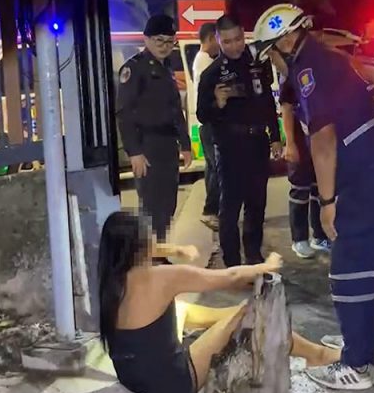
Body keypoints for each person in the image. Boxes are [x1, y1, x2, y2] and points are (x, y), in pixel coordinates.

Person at [254, 4, 374, 390]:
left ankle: (355, 365)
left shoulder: (308, 69)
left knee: (348, 271)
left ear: (285, 42)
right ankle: (359, 340)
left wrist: (327, 203)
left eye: (270, 54)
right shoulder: (332, 58)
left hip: (371, 180)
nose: (272, 63)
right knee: (369, 271)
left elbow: (324, 140)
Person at [99, 211, 340, 393]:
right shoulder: (162, 277)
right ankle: (317, 355)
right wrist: (265, 266)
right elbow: (230, 276)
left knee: (181, 308)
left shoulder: (111, 281)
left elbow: (144, 249)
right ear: (141, 246)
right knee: (250, 312)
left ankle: (223, 323)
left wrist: (175, 250)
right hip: (175, 384)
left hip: (131, 378)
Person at [197, 15, 283, 267]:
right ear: (218, 40)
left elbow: (267, 101)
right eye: (227, 42)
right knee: (230, 208)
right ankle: (232, 263)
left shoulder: (257, 63)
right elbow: (202, 115)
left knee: (257, 204)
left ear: (244, 35)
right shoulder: (212, 74)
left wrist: (275, 137)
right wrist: (218, 103)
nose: (234, 46)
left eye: (238, 39)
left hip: (258, 143)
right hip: (230, 146)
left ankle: (254, 255)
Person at [116, 14, 192, 244]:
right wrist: (134, 152)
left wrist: (185, 144)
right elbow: (124, 113)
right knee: (151, 206)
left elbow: (175, 109)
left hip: (167, 146)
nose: (165, 46)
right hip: (147, 146)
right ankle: (149, 255)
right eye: (159, 40)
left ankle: (160, 251)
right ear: (146, 39)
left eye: (170, 41)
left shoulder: (166, 67)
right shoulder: (134, 68)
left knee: (168, 204)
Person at [279, 79, 332, 258]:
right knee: (300, 188)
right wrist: (290, 143)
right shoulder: (292, 76)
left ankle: (320, 236)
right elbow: (286, 109)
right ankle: (299, 239)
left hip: (320, 140)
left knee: (320, 188)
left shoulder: (322, 73)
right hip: (300, 141)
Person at [192, 22, 221, 230]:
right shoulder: (206, 63)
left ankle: (211, 211)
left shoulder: (202, 60)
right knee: (218, 168)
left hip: (207, 125)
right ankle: (210, 211)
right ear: (211, 38)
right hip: (210, 124)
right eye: (218, 39)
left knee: (212, 168)